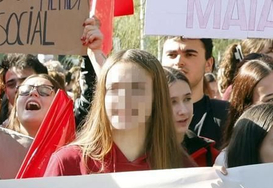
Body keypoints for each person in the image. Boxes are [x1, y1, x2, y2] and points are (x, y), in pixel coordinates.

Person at [45, 50, 190, 176]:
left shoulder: (181, 166)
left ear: (157, 97)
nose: (124, 99)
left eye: (136, 89)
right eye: (114, 89)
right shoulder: (68, 163)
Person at [161, 36, 229, 146]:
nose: (179, 61)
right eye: (172, 55)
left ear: (208, 64)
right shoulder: (147, 115)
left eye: (189, 55)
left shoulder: (227, 115)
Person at [167, 69, 216, 167]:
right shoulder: (139, 157)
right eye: (173, 102)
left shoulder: (210, 155)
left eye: (187, 99)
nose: (183, 111)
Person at [6, 71, 61, 142]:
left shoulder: (72, 148)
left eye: (44, 90)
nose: (33, 92)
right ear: (16, 108)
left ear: (59, 107)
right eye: (25, 90)